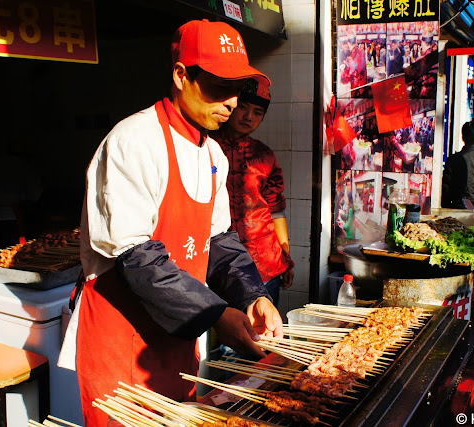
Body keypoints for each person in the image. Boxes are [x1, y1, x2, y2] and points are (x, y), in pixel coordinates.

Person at [58, 20, 282, 426]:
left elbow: (220, 241)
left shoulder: (214, 154)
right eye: (218, 86)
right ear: (181, 75)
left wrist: (252, 296)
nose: (232, 101)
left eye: (238, 88)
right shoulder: (134, 141)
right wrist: (216, 316)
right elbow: (136, 259)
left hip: (177, 337)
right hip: (122, 340)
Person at [210, 79, 295, 307]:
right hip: (218, 262)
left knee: (262, 336)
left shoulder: (264, 155)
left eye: (257, 112)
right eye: (243, 108)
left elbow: (276, 210)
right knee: (228, 335)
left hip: (265, 265)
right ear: (231, 105)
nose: (249, 117)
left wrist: (285, 257)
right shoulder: (206, 147)